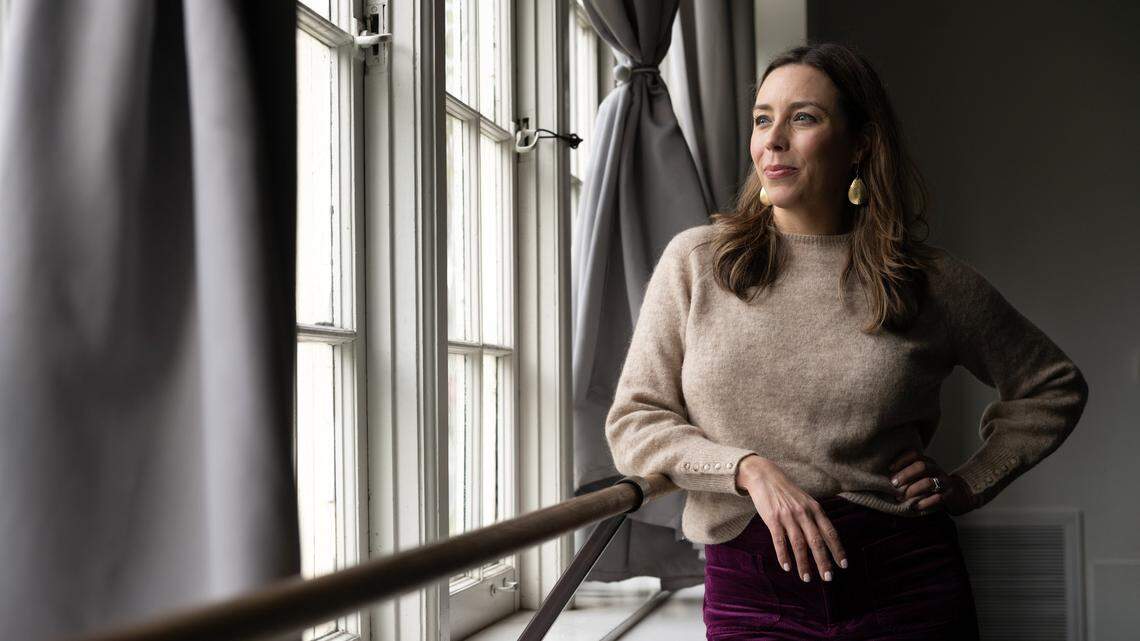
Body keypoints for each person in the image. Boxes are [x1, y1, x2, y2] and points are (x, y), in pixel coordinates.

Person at [603, 41, 1089, 640]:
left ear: (859, 143)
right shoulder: (696, 263)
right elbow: (636, 423)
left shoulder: (927, 280)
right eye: (762, 119)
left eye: (803, 118)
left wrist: (970, 481)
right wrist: (747, 469)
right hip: (753, 594)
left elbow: (1053, 385)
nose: (773, 140)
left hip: (905, 585)